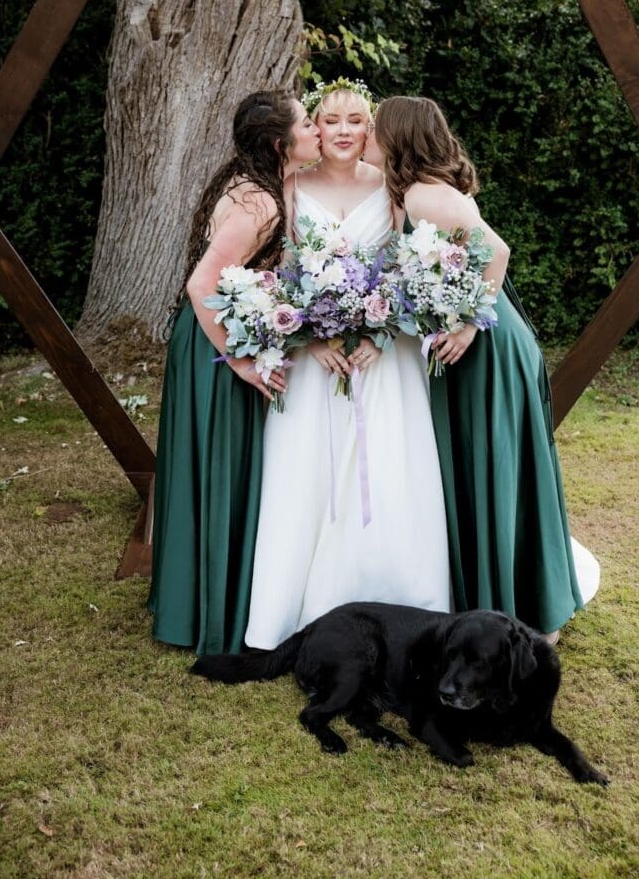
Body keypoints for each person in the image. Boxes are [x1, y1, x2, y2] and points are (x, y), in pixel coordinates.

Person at [371, 95, 599, 642]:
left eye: (377, 129)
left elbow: (496, 250)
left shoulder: (427, 195)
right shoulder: (408, 193)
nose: (371, 139)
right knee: (478, 462)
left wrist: (469, 323)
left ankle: (524, 607)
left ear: (398, 137)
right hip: (465, 344)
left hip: (489, 346)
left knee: (495, 463)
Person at [244, 82, 451, 651]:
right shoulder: (286, 188)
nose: (341, 131)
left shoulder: (394, 189)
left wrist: (382, 334)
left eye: (355, 120)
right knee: (307, 474)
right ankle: (295, 616)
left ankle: (400, 602)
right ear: (313, 127)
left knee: (387, 471)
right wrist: (309, 339)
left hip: (384, 360)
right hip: (316, 360)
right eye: (328, 120)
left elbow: (412, 270)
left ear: (371, 129)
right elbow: (277, 274)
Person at [148, 91, 321, 655]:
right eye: (308, 123)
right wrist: (242, 363)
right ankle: (208, 613)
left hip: (216, 337)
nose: (318, 129)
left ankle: (199, 600)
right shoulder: (258, 204)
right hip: (215, 347)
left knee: (217, 468)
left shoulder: (263, 186)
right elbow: (202, 285)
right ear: (280, 143)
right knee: (220, 467)